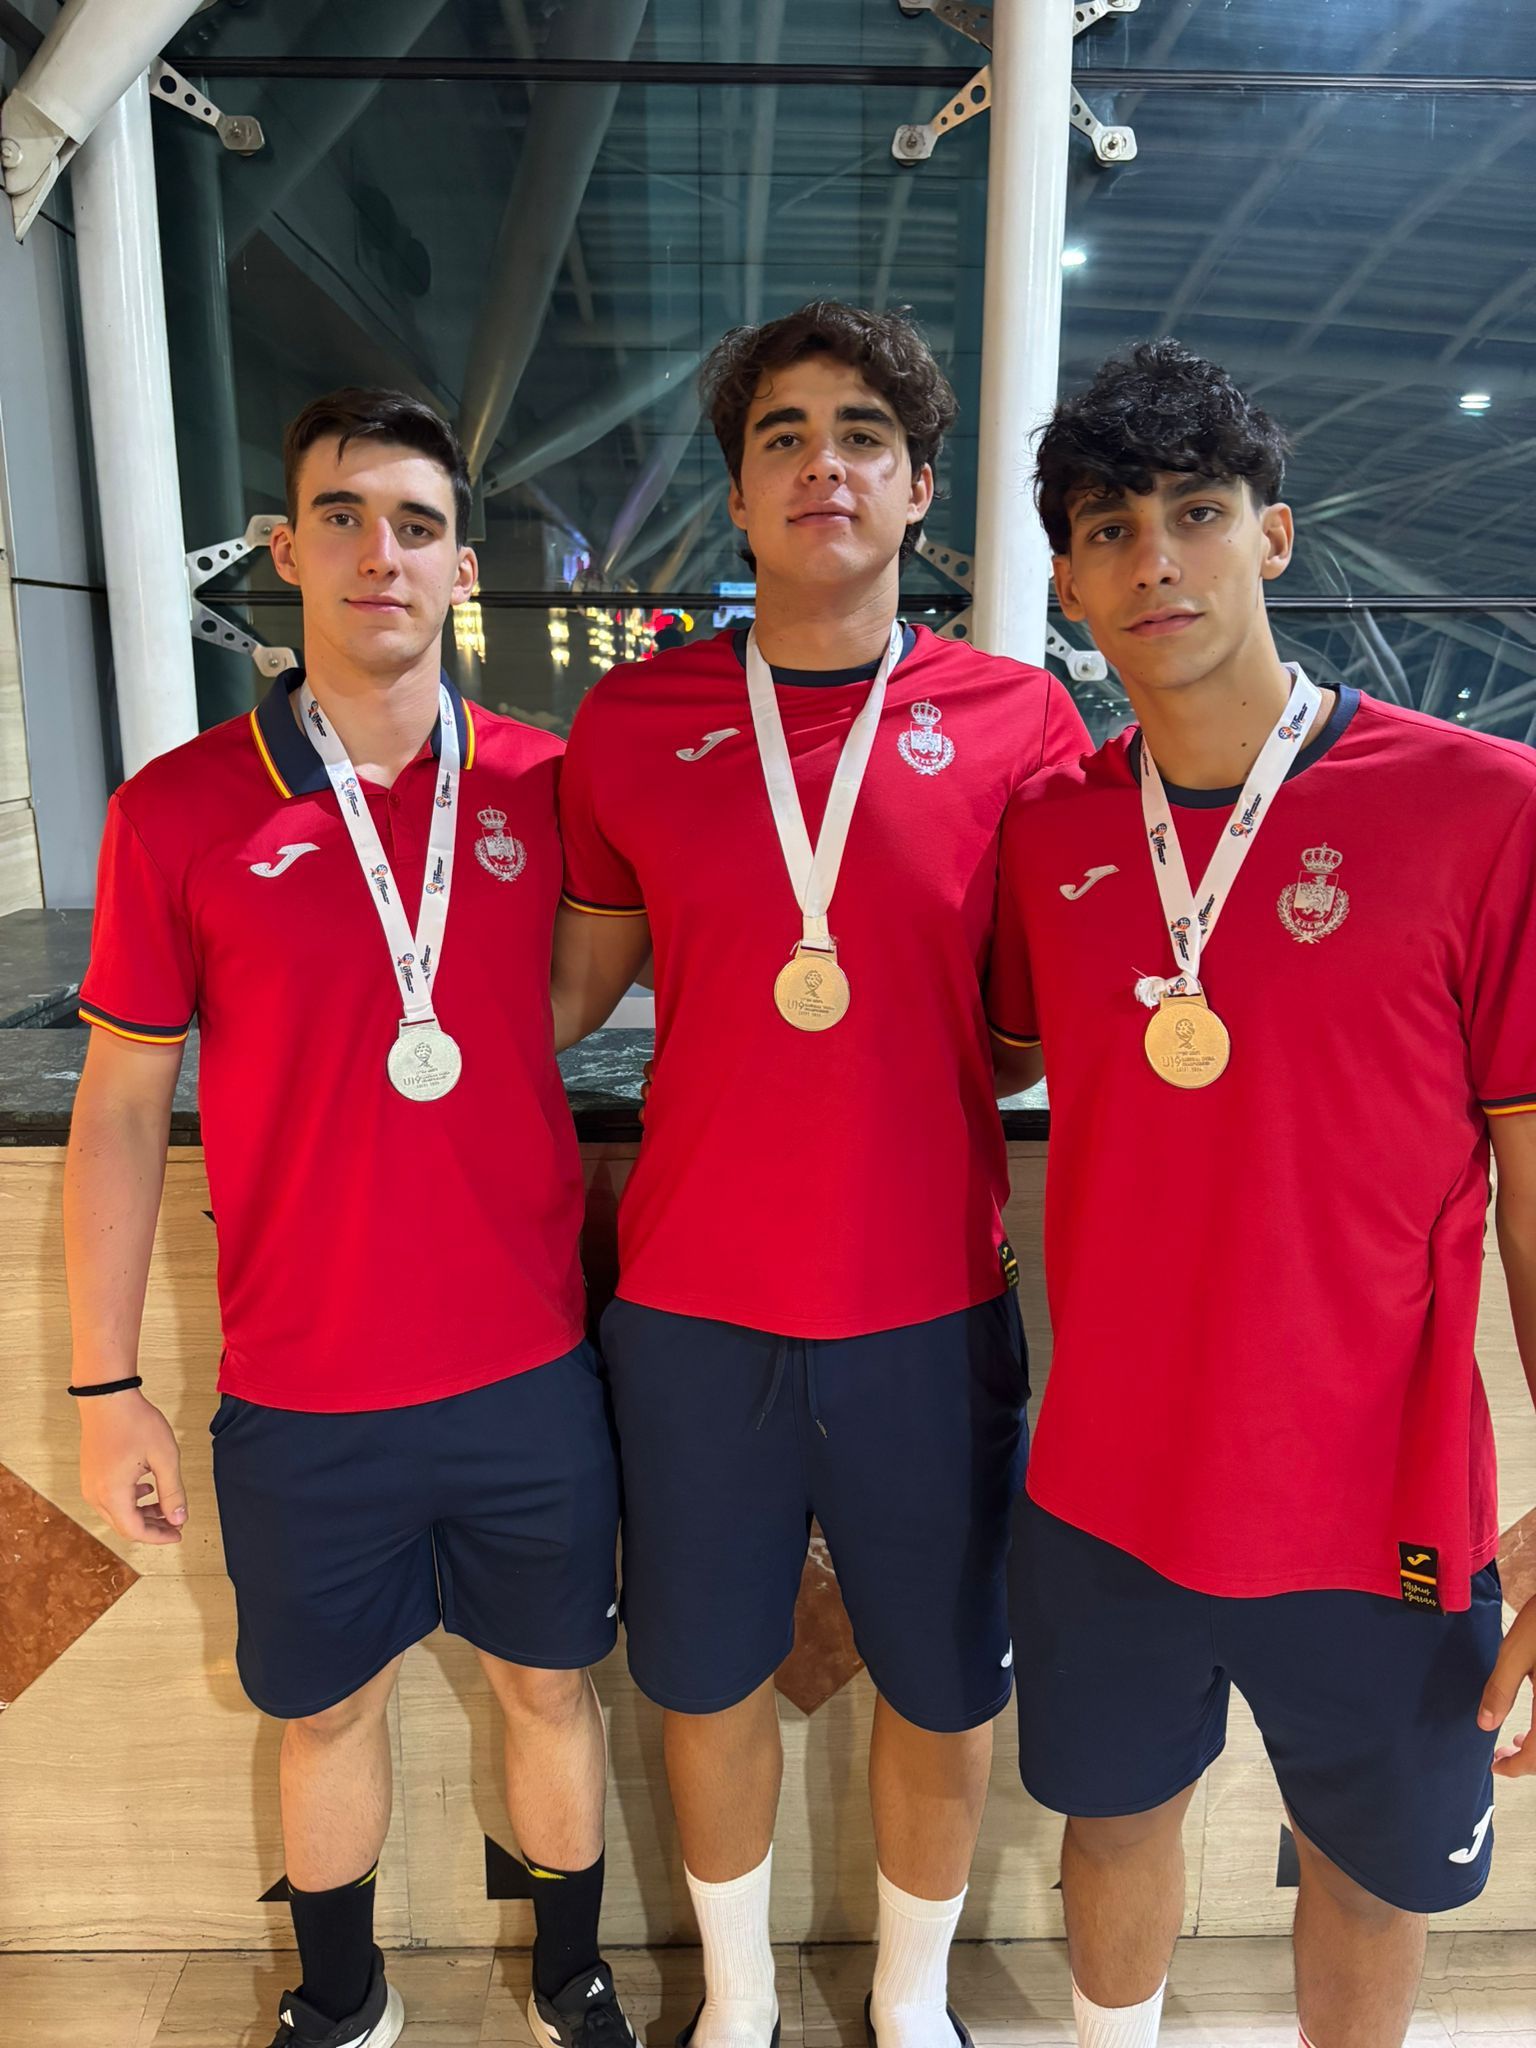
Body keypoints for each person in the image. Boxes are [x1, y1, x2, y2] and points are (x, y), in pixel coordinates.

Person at [64, 389, 637, 2048]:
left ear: (462, 563)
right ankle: (344, 1998)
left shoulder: (547, 786)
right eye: (341, 517)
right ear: (285, 550)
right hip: (304, 1389)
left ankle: (574, 1981)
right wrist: (107, 1390)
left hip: (532, 1368)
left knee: (551, 1689)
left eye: (413, 521)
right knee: (322, 1714)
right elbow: (115, 1113)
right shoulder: (178, 809)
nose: (377, 552)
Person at [987, 339, 1536, 2048]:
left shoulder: (1480, 807)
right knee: (1113, 1816)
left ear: (1272, 540)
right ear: (1068, 580)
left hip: (1372, 1493)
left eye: (1196, 513)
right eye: (1106, 527)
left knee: (1369, 1866)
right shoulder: (1051, 835)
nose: (1155, 559)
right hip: (1106, 1480)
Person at [551, 302, 1088, 2048]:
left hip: (925, 1302)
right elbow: (566, 992)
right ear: (737, 493)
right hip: (691, 1308)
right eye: (779, 435)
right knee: (701, 1676)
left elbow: (1022, 1030)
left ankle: (916, 2007)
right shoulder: (634, 724)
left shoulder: (1017, 724)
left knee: (940, 1687)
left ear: (920, 486)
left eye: (861, 433)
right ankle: (734, 2002)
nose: (821, 464)